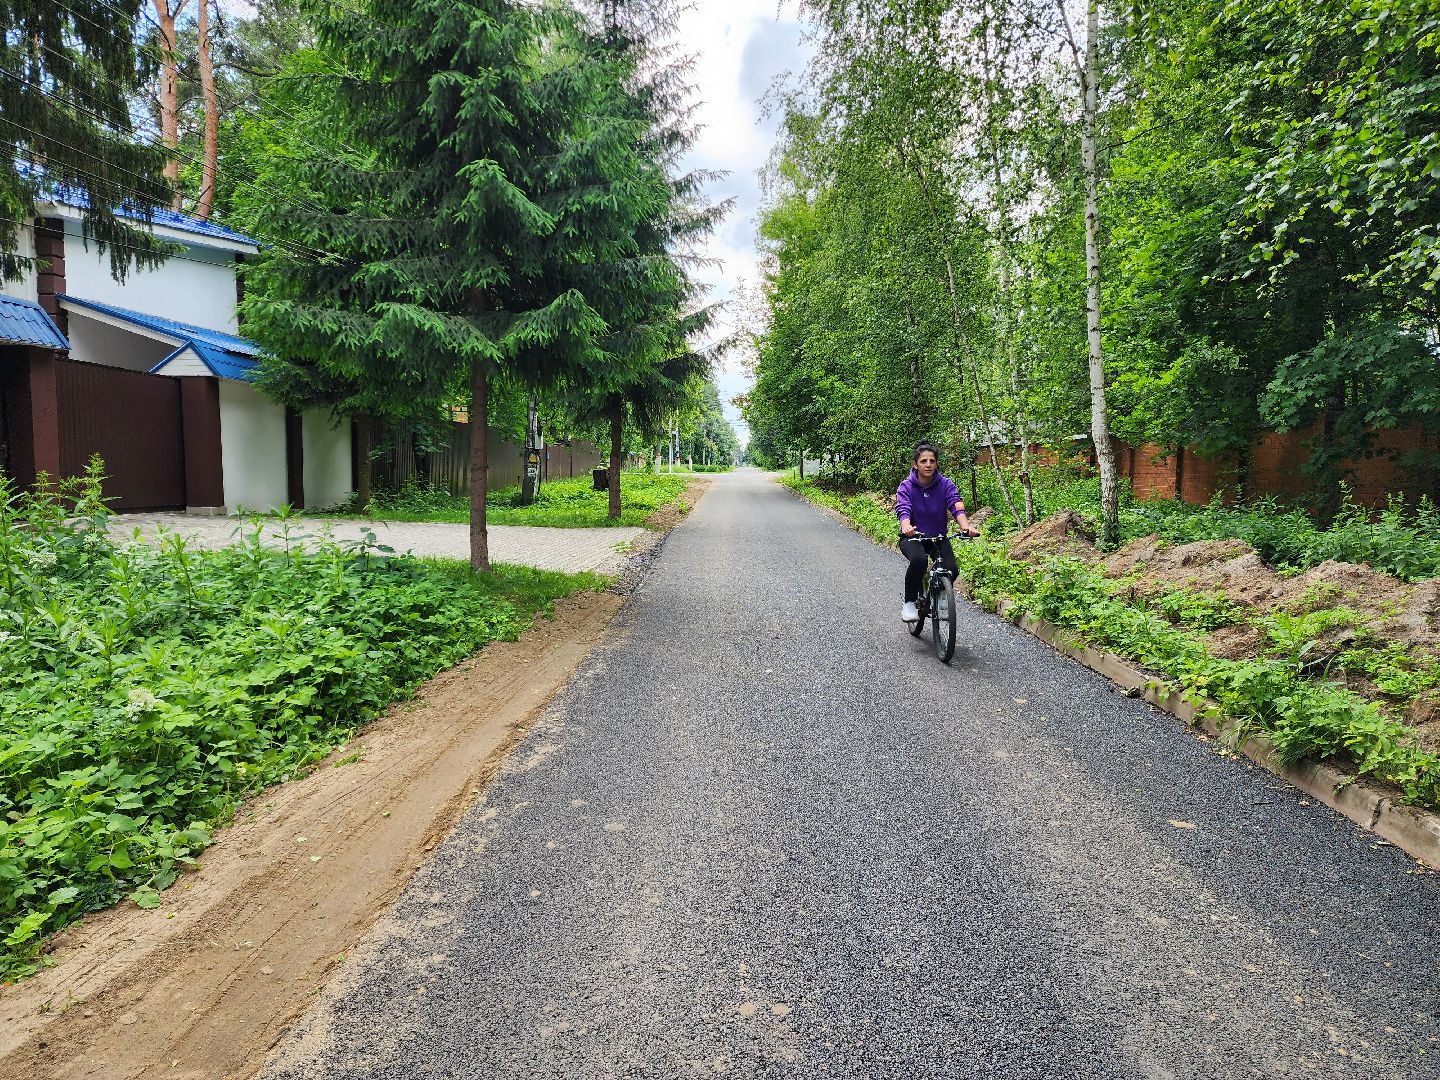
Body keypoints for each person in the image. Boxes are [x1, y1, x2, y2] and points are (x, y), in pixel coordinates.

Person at [896, 442, 974, 622]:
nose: (928, 464)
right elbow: (903, 508)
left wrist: (966, 526)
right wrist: (906, 525)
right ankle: (909, 602)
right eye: (923, 461)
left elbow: (956, 504)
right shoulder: (906, 486)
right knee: (919, 560)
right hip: (913, 537)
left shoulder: (945, 484)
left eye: (932, 461)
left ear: (936, 463)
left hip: (938, 537)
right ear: (915, 464)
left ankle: (940, 595)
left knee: (952, 569)